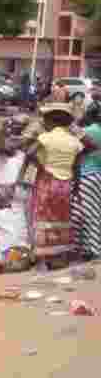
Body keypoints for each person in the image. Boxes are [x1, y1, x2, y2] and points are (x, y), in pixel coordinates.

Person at [20, 100, 86, 268]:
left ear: (52, 120)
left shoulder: (45, 138)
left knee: (42, 217)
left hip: (46, 180)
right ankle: (59, 257)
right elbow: (76, 168)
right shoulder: (74, 142)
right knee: (61, 218)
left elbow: (29, 153)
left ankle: (43, 258)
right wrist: (77, 188)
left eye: (46, 119)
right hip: (66, 184)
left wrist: (36, 166)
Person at [72, 97, 101, 260]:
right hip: (97, 175)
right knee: (94, 212)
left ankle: (92, 250)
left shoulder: (89, 132)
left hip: (86, 175)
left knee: (83, 215)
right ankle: (89, 249)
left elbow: (75, 152)